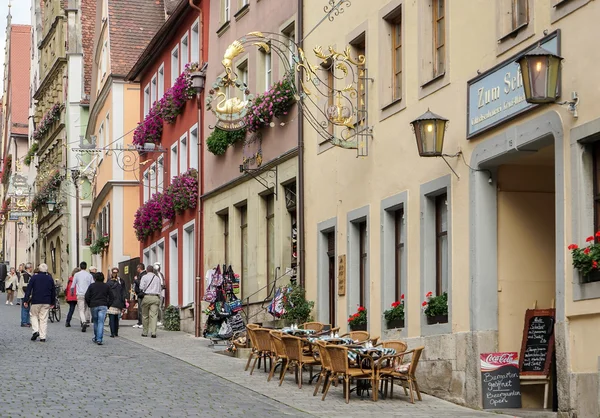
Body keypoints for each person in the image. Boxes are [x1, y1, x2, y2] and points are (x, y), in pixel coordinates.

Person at [23, 263, 55, 342]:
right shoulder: (50, 278)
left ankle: (35, 331)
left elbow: (29, 289)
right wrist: (52, 302)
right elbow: (53, 291)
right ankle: (42, 336)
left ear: (39, 269)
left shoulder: (34, 278)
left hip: (36, 300)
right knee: (43, 318)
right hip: (46, 301)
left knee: (33, 315)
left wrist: (26, 300)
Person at [84, 271, 113, 345]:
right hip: (103, 305)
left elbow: (87, 296)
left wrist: (89, 304)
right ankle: (99, 339)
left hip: (94, 305)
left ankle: (96, 337)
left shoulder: (92, 286)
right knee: (101, 322)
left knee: (96, 322)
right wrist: (108, 305)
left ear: (95, 278)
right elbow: (111, 297)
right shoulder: (106, 286)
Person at [140, 265, 161, 338]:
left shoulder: (144, 277)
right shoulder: (157, 278)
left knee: (145, 315)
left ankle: (145, 332)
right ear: (153, 270)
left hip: (146, 297)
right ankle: (153, 332)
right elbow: (159, 288)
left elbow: (141, 287)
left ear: (146, 270)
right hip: (155, 297)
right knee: (154, 316)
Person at [72, 261, 94, 332]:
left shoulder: (77, 275)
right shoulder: (89, 275)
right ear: (86, 267)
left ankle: (83, 321)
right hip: (88, 294)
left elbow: (73, 285)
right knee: (86, 308)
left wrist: (72, 293)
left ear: (80, 267)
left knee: (81, 309)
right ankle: (86, 320)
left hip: (80, 294)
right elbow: (92, 284)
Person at [107, 267, 126, 337]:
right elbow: (123, 293)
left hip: (111, 302)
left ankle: (112, 333)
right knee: (116, 318)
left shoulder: (109, 282)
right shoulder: (121, 282)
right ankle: (116, 332)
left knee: (112, 318)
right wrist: (123, 303)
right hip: (118, 301)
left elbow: (107, 293)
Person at [132, 263, 146, 329]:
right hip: (139, 294)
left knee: (141, 309)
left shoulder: (143, 274)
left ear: (139, 268)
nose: (137, 269)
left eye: (137, 268)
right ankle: (139, 322)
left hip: (141, 294)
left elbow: (141, 283)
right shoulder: (142, 274)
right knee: (139, 309)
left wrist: (135, 280)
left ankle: (142, 322)